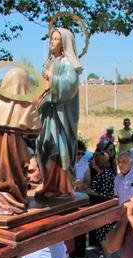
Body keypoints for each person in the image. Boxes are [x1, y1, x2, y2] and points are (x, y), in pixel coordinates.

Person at [0, 67, 41, 214]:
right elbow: (35, 130)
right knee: (16, 175)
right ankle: (13, 200)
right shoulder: (25, 106)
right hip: (15, 147)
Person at [36, 27, 82, 197]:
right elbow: (42, 86)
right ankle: (48, 183)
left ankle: (64, 187)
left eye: (55, 39)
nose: (52, 42)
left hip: (61, 117)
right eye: (51, 38)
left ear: (63, 43)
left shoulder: (68, 63)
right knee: (44, 147)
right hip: (47, 113)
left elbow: (70, 85)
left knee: (58, 148)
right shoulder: (48, 63)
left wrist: (52, 81)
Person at [87, 152, 116, 258]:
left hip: (103, 209)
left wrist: (90, 192)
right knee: (104, 233)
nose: (92, 163)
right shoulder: (108, 173)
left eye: (94, 161)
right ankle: (105, 255)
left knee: (102, 234)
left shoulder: (102, 176)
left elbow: (102, 195)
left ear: (97, 163)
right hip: (109, 208)